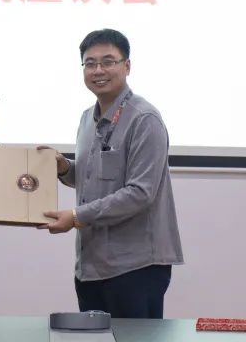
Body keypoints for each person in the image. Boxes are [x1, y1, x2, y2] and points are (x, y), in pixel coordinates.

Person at [40, 28, 183, 319]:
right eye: (90, 63)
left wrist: (76, 217)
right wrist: (64, 167)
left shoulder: (144, 119)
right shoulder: (87, 119)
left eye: (108, 61)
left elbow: (140, 193)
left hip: (135, 267)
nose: (98, 71)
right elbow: (93, 176)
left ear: (127, 66)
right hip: (91, 265)